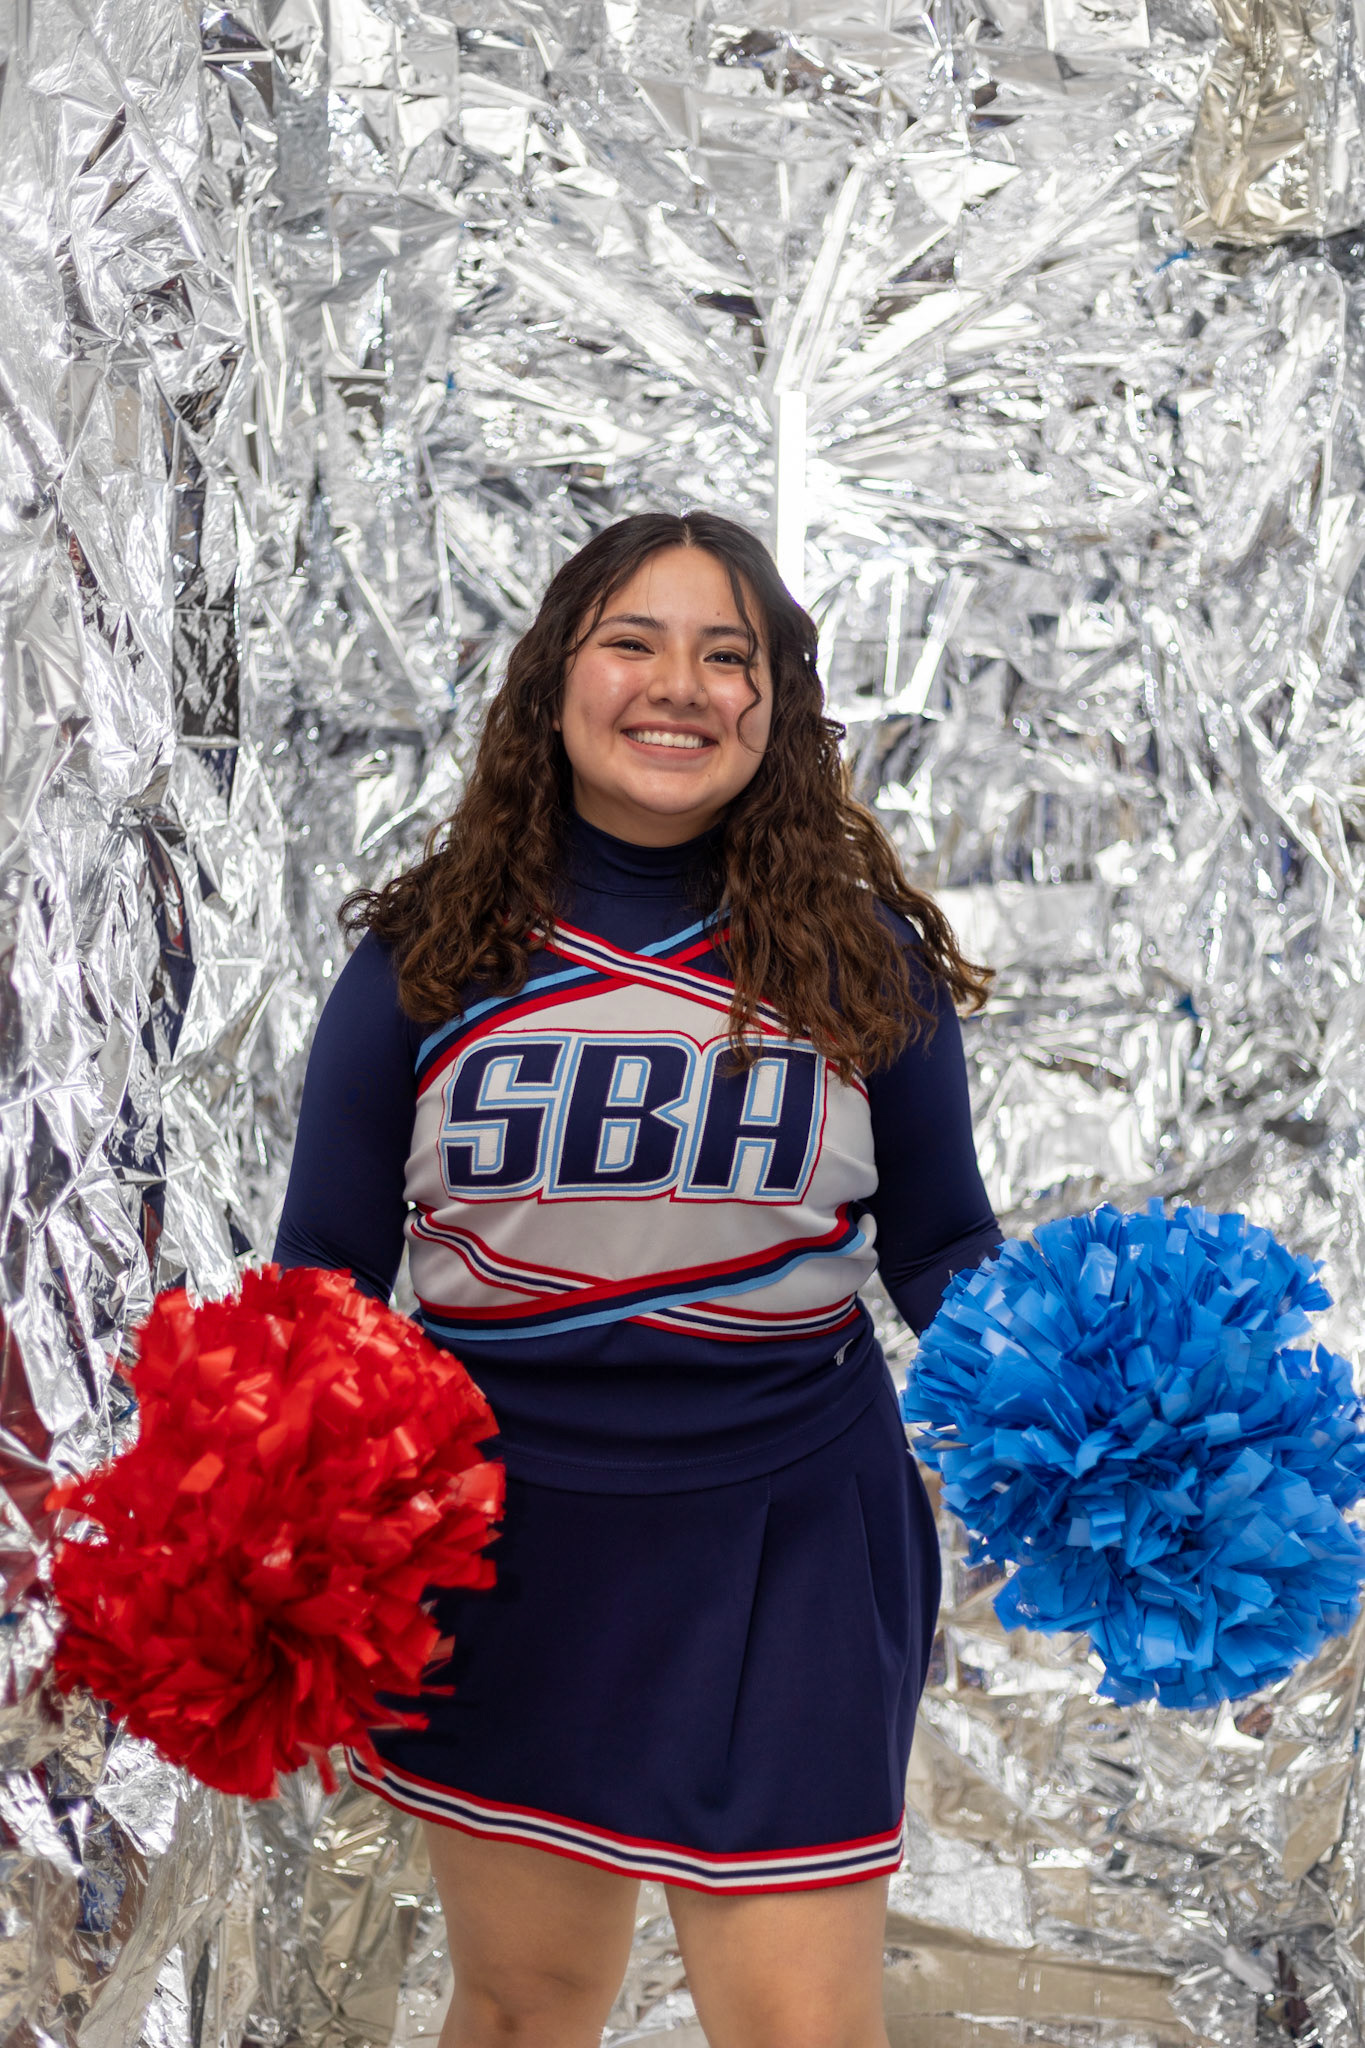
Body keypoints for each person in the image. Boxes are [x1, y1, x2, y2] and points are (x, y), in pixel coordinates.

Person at [274, 511, 1000, 2048]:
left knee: (800, 2029)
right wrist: (259, 1513)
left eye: (727, 656)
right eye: (632, 642)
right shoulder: (426, 956)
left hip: (793, 1531)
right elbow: (325, 1278)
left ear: (773, 705)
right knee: (524, 2007)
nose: (679, 685)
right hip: (511, 1537)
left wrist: (1092, 1409)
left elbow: (939, 1247)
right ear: (555, 683)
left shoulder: (859, 959)